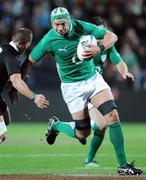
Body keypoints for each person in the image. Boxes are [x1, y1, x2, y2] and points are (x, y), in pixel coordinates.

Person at [20, 7, 143, 175]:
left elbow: (112, 36)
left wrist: (99, 48)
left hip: (93, 80)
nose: (60, 28)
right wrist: (17, 80)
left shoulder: (81, 27)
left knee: (112, 116)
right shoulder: (49, 40)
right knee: (83, 134)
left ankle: (123, 166)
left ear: (69, 20)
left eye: (63, 23)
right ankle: (56, 125)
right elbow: (30, 61)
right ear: (52, 24)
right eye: (56, 25)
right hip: (72, 88)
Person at [45, 16, 134, 168]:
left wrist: (125, 73)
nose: (97, 34)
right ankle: (61, 129)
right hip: (78, 88)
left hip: (95, 88)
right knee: (100, 124)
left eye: (101, 30)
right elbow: (62, 63)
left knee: (104, 123)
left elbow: (118, 61)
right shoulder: (80, 44)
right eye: (95, 29)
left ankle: (90, 158)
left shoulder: (106, 46)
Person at [0, 28, 49, 143]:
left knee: (6, 120)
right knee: (2, 134)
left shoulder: (2, 47)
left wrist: (12, 88)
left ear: (13, 38)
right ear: (27, 45)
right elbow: (17, 81)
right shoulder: (11, 57)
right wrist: (34, 96)